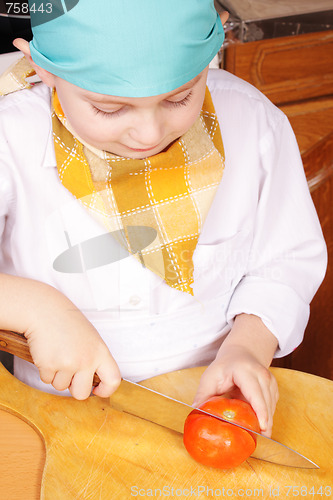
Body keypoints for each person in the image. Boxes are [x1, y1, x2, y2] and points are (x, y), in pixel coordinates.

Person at [0, 0, 326, 439]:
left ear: (217, 39)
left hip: (211, 405)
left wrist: (249, 347)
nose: (148, 134)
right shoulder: (10, 133)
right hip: (55, 421)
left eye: (180, 96)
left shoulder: (252, 121)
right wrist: (37, 308)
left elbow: (286, 261)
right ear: (42, 67)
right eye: (109, 108)